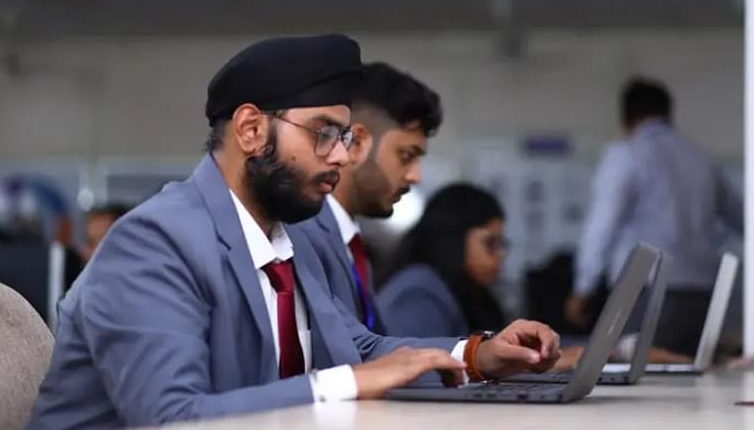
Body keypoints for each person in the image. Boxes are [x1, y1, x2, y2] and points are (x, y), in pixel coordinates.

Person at [27, 34, 560, 428]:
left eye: (344, 137)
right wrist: (346, 383)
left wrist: (475, 356)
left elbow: (357, 347)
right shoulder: (153, 243)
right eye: (323, 134)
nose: (340, 157)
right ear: (251, 130)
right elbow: (170, 417)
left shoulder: (292, 237)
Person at [565, 76, 743, 356]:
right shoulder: (702, 158)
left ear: (626, 119)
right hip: (702, 291)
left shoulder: (626, 154)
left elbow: (603, 225)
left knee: (632, 367)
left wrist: (583, 287)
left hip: (646, 289)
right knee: (686, 369)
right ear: (668, 114)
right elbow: (742, 218)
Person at [295, 62, 442, 333]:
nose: (415, 176)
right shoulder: (303, 239)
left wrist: (472, 351)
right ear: (356, 143)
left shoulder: (351, 246)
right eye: (406, 156)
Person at [377, 183, 508, 338]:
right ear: (455, 238)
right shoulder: (417, 296)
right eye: (491, 243)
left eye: (502, 245)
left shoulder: (461, 292)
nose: (500, 254)